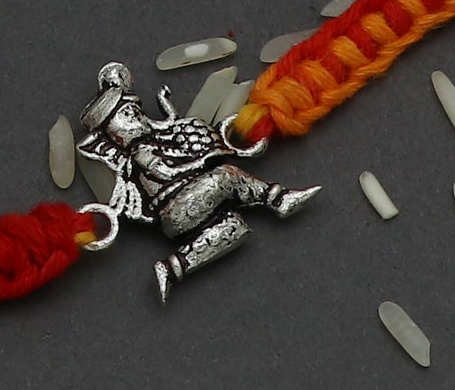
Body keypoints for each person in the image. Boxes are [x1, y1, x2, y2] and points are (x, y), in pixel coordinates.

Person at [77, 62, 318, 302]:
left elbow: (173, 124)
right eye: (130, 115)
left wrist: (167, 107)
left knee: (233, 228)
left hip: (180, 214)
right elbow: (165, 171)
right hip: (179, 206)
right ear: (115, 134)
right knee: (227, 176)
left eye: (137, 112)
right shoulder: (142, 153)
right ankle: (278, 199)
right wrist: (205, 159)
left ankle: (172, 268)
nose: (140, 118)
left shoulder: (152, 142)